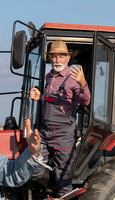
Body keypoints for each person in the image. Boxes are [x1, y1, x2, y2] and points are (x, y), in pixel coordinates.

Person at [29, 41, 91, 198]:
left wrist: (83, 84)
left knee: (63, 177)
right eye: (54, 57)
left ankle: (61, 193)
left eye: (61, 57)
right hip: (45, 131)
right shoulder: (49, 76)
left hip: (64, 133)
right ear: (50, 58)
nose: (57, 60)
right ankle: (49, 188)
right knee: (33, 166)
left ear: (68, 58)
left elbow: (85, 101)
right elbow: (51, 100)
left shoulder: (74, 78)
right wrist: (40, 97)